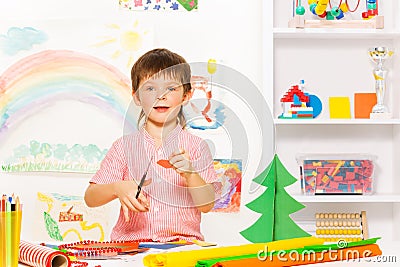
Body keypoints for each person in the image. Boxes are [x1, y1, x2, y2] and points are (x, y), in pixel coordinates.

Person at [84, 48, 220, 242]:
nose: (160, 96)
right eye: (150, 88)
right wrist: (117, 188)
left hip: (183, 247)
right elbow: (91, 198)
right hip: (130, 248)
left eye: (171, 88)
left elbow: (207, 205)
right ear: (137, 97)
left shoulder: (196, 147)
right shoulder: (123, 147)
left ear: (186, 95)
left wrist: (190, 174)